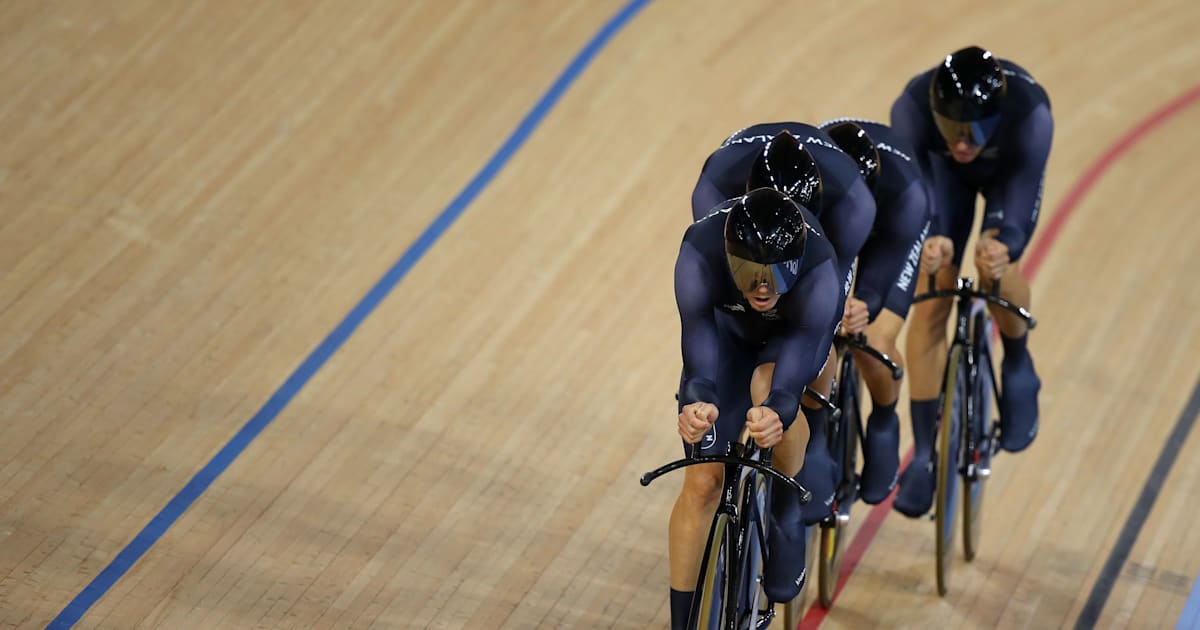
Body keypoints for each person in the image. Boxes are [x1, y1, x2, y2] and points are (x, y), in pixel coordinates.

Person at [889, 45, 1052, 517]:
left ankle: (1018, 363)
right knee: (934, 287)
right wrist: (932, 237)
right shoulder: (911, 111)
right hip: (943, 183)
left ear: (996, 118)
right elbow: (914, 195)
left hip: (1007, 179)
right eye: (952, 129)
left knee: (993, 263)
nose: (963, 143)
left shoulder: (1030, 116)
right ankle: (923, 453)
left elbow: (1020, 209)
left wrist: (1007, 245)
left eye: (975, 130)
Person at [670, 187, 841, 629]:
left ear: (796, 265)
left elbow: (791, 378)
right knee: (704, 481)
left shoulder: (821, 273)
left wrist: (777, 413)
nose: (763, 288)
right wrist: (696, 403)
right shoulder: (699, 251)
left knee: (769, 391)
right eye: (748, 273)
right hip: (726, 339)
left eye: (776, 274)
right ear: (728, 258)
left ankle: (786, 502)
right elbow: (699, 350)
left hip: (787, 343)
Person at [691, 125, 876, 524]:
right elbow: (712, 280)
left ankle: (817, 436)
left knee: (822, 321)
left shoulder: (851, 205)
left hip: (825, 252)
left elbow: (822, 311)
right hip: (743, 235)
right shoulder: (715, 189)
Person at [816, 119, 933, 504]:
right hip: (824, 221)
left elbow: (878, 284)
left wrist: (862, 302)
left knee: (872, 341)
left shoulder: (906, 197)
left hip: (891, 235)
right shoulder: (810, 176)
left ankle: (884, 418)